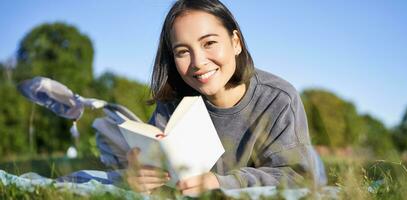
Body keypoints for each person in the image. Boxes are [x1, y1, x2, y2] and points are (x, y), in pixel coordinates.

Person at [124, 0, 327, 195]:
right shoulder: (172, 102)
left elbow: (297, 175)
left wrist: (222, 182)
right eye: (183, 51)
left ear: (235, 42)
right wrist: (140, 176)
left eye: (209, 43)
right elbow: (152, 170)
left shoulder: (279, 99)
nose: (198, 62)